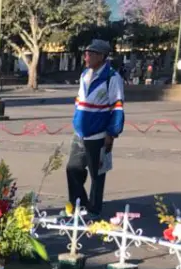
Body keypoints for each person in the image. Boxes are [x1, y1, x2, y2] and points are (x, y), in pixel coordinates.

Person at [66, 39, 124, 217]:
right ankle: (79, 202)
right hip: (80, 132)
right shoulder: (85, 74)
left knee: (97, 174)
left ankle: (94, 208)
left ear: (101, 56)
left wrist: (112, 133)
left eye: (90, 54)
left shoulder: (112, 78)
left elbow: (117, 107)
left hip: (98, 134)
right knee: (73, 169)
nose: (86, 56)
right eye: (86, 53)